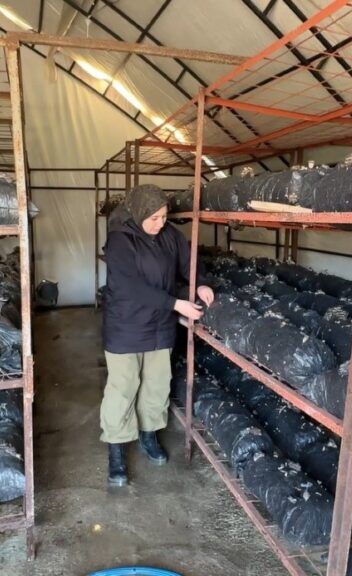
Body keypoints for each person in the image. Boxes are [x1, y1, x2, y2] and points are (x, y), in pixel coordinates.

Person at [100, 184, 213, 487]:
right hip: (126, 326)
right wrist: (176, 304)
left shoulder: (170, 236)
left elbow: (188, 263)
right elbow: (129, 287)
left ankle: (148, 435)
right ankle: (116, 448)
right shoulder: (120, 240)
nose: (160, 223)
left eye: (164, 217)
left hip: (160, 325)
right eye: (153, 218)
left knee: (157, 384)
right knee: (123, 387)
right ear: (139, 213)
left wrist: (201, 282)